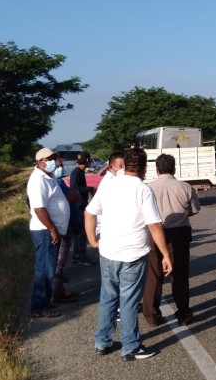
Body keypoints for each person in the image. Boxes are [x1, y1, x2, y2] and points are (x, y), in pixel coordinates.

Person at [84, 147, 173, 361]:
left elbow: (89, 212)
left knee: (108, 296)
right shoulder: (142, 190)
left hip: (108, 251)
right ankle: (131, 346)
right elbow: (154, 225)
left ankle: (102, 341)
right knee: (129, 300)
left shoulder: (109, 185)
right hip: (133, 254)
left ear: (123, 165)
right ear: (144, 167)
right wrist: (165, 254)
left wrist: (93, 240)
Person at [144, 153, 201, 327]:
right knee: (180, 274)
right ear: (174, 168)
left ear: (157, 169)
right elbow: (194, 210)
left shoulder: (147, 187)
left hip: (154, 233)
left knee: (153, 274)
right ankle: (183, 312)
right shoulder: (185, 187)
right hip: (179, 234)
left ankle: (152, 315)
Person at [27, 147, 70, 318]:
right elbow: (39, 209)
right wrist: (53, 230)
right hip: (45, 231)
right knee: (44, 270)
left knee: (48, 269)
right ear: (40, 162)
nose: (53, 160)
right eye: (49, 158)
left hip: (50, 230)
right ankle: (38, 307)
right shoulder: (38, 180)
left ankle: (44, 301)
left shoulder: (48, 177)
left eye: (54, 157)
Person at [51, 157, 80, 303]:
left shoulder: (56, 181)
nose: (59, 167)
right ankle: (56, 291)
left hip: (65, 224)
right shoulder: (54, 182)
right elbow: (73, 197)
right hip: (61, 227)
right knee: (59, 261)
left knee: (59, 261)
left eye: (60, 164)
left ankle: (57, 288)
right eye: (58, 165)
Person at [70, 153, 92, 264]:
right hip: (79, 205)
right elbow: (75, 188)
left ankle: (76, 254)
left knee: (78, 232)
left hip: (80, 204)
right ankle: (81, 256)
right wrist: (88, 188)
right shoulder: (76, 172)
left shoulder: (79, 171)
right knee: (82, 232)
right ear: (87, 160)